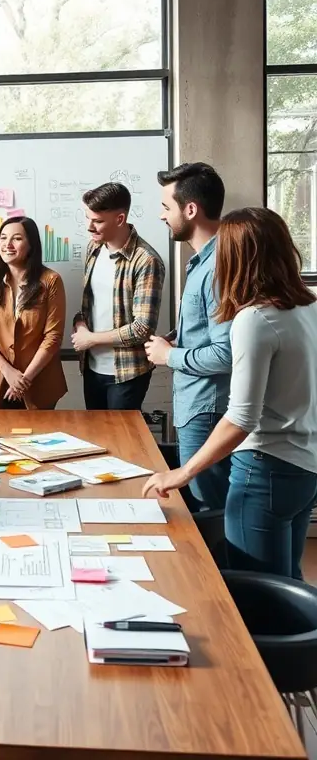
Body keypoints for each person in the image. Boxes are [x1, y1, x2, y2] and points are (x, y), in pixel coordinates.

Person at [144, 208, 317, 580]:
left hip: (263, 469)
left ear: (237, 258)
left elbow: (241, 418)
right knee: (286, 582)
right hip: (305, 469)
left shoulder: (254, 319)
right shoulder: (309, 307)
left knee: (257, 590)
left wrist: (182, 473)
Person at [145, 163, 232, 510]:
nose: (162, 215)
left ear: (191, 210)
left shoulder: (218, 267)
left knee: (209, 508)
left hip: (206, 408)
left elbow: (226, 352)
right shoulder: (200, 262)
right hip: (195, 405)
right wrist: (176, 339)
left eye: (166, 207)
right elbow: (206, 332)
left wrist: (169, 356)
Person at [71, 182, 165, 411]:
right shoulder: (93, 249)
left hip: (126, 373)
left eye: (97, 221)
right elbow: (91, 305)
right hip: (91, 368)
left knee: (121, 434)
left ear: (120, 219)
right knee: (95, 431)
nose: (89, 227)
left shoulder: (146, 261)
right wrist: (80, 325)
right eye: (88, 218)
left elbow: (142, 328)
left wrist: (91, 339)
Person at [0, 217, 67, 410]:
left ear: (31, 245)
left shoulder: (51, 281)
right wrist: (8, 371)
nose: (7, 244)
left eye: (16, 238)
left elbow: (53, 337)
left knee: (38, 430)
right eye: (3, 238)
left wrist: (23, 380)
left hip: (39, 382)